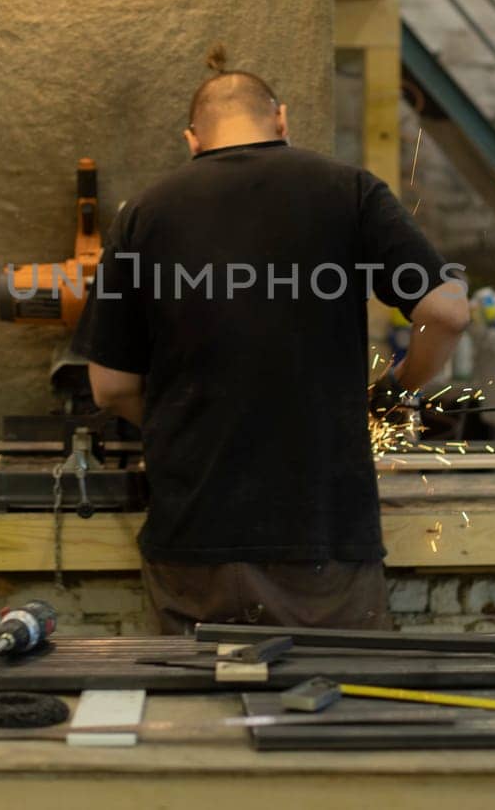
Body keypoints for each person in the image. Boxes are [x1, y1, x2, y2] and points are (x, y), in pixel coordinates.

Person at [73, 46, 468, 632]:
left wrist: (176, 426)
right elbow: (448, 312)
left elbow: (108, 388)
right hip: (324, 539)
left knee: (197, 712)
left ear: (192, 139)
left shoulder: (144, 215)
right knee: (336, 710)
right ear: (281, 119)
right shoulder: (350, 191)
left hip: (194, 539)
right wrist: (397, 387)